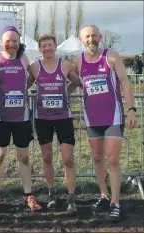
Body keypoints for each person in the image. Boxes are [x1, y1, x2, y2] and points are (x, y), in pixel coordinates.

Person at [73, 25, 136, 222]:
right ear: (81, 39)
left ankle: (115, 203)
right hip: (92, 117)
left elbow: (125, 81)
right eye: (87, 36)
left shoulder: (112, 56)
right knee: (98, 157)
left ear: (100, 37)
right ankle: (103, 195)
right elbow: (73, 82)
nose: (91, 39)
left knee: (113, 158)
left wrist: (132, 109)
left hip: (113, 116)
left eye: (94, 35)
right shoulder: (78, 61)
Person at [0, 26, 42, 212]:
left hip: (22, 117)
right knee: (0, 156)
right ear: (1, 42)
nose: (11, 44)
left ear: (19, 43)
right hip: (1, 117)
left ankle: (29, 195)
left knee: (23, 157)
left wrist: (25, 88)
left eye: (15, 41)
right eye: (8, 41)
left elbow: (33, 76)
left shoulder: (24, 59)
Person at [28, 34, 82, 214]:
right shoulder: (34, 67)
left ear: (55, 46)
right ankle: (52, 194)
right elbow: (23, 86)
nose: (47, 48)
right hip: (43, 118)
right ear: (39, 49)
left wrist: (66, 91)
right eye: (43, 46)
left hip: (63, 118)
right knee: (47, 157)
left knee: (68, 159)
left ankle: (72, 197)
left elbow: (78, 83)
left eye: (50, 45)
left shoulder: (65, 65)